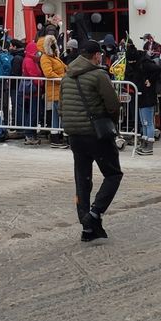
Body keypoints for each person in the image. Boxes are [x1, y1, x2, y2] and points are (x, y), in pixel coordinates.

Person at [60, 39, 123, 242]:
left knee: (82, 178)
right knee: (113, 174)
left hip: (74, 134)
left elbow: (61, 105)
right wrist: (112, 124)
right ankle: (95, 213)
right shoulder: (98, 75)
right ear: (96, 55)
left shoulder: (67, 76)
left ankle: (86, 226)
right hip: (96, 133)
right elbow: (113, 104)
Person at [38, 35, 67, 145]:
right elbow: (48, 73)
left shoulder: (54, 57)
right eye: (52, 44)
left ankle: (56, 136)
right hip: (55, 88)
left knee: (57, 113)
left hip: (58, 88)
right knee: (61, 113)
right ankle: (60, 136)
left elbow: (64, 66)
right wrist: (62, 78)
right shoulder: (45, 58)